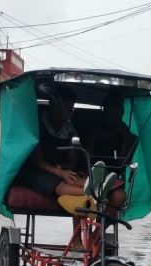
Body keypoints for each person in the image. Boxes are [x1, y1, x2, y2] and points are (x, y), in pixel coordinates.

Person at [23, 85, 114, 251]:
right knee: (60, 185)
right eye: (68, 107)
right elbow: (37, 160)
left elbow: (73, 160)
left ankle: (94, 187)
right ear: (55, 106)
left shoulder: (69, 129)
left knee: (78, 179)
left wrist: (64, 168)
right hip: (38, 172)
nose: (72, 112)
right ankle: (96, 193)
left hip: (61, 169)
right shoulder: (38, 125)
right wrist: (58, 171)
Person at [85, 92, 139, 222]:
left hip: (112, 179)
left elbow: (122, 163)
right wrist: (114, 132)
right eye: (106, 111)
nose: (109, 115)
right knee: (88, 190)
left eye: (114, 111)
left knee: (120, 197)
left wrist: (124, 136)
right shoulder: (95, 133)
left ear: (121, 113)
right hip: (91, 176)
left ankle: (96, 235)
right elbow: (87, 159)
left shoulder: (132, 139)